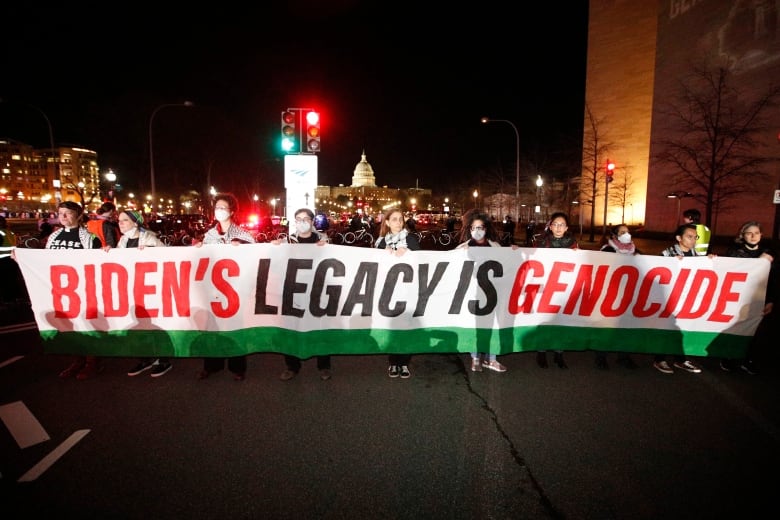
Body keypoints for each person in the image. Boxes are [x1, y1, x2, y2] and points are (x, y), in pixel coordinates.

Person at [195, 193, 256, 381]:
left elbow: (254, 258)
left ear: (232, 211)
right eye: (217, 208)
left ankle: (237, 367)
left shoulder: (243, 235)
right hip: (213, 290)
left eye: (223, 208)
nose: (219, 211)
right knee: (212, 327)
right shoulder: (209, 236)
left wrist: (242, 248)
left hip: (236, 291)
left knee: (235, 327)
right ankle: (212, 364)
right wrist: (197, 248)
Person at [47, 202, 104, 380]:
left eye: (67, 214)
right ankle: (77, 360)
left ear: (79, 216)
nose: (63, 217)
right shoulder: (53, 237)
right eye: (60, 213)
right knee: (69, 326)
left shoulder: (90, 238)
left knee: (86, 325)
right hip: (61, 289)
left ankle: (91, 361)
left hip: (83, 289)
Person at [273, 208, 332, 381]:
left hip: (317, 291)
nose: (302, 222)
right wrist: (275, 248)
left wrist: (326, 247)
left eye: (306, 219)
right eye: (298, 219)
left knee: (320, 329)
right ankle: (292, 366)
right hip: (293, 292)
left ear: (312, 222)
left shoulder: (323, 240)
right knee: (291, 329)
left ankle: (324, 366)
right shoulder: (287, 242)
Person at [116, 210, 173, 378]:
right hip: (134, 288)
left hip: (151, 288)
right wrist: (108, 252)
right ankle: (146, 357)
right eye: (119, 220)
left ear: (136, 222)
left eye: (125, 220)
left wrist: (151, 251)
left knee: (156, 323)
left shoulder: (149, 237)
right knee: (140, 325)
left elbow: (166, 255)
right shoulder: (123, 240)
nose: (120, 223)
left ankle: (164, 360)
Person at [719, 221, 776, 375]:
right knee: (735, 328)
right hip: (738, 298)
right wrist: (760, 262)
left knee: (755, 331)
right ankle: (728, 357)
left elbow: (772, 279)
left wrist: (771, 300)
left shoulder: (768, 253)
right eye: (749, 233)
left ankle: (747, 360)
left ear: (761, 235)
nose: (753, 236)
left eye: (756, 233)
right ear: (742, 235)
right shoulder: (734, 252)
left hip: (759, 300)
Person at [456, 209, 507, 373]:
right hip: (472, 296)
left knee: (493, 326)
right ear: (469, 230)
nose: (477, 231)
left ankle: (491, 359)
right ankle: (475, 358)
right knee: (475, 327)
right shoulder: (462, 249)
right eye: (473, 228)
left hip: (492, 295)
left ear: (486, 229)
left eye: (480, 227)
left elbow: (509, 266)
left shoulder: (496, 247)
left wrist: (514, 252)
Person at [375, 207, 421, 379]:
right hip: (388, 292)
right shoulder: (380, 242)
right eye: (394, 219)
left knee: (407, 327)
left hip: (408, 291)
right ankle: (393, 362)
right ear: (386, 222)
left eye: (400, 219)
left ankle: (404, 362)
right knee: (392, 328)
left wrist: (407, 253)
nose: (398, 223)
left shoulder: (410, 239)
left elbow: (422, 260)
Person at [653, 223, 705, 374]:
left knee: (683, 329)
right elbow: (657, 274)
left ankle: (680, 359)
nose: (693, 240)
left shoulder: (698, 256)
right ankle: (659, 359)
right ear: (678, 238)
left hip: (687, 299)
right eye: (689, 236)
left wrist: (710, 260)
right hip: (669, 299)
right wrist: (670, 264)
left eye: (695, 237)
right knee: (666, 329)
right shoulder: (666, 254)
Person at [534, 211, 578, 369]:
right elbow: (530, 259)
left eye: (562, 225)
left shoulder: (573, 244)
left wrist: (578, 256)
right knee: (544, 320)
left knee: (561, 321)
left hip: (563, 290)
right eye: (555, 224)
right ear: (550, 226)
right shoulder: (541, 242)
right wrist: (516, 250)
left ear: (566, 228)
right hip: (545, 288)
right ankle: (541, 352)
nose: (558, 227)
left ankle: (559, 353)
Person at [595, 224, 639, 370]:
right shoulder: (607, 250)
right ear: (614, 236)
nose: (626, 234)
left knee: (626, 326)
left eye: (627, 232)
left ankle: (624, 356)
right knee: (607, 327)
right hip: (609, 295)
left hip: (628, 295)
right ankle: (601, 357)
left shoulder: (634, 251)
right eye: (622, 232)